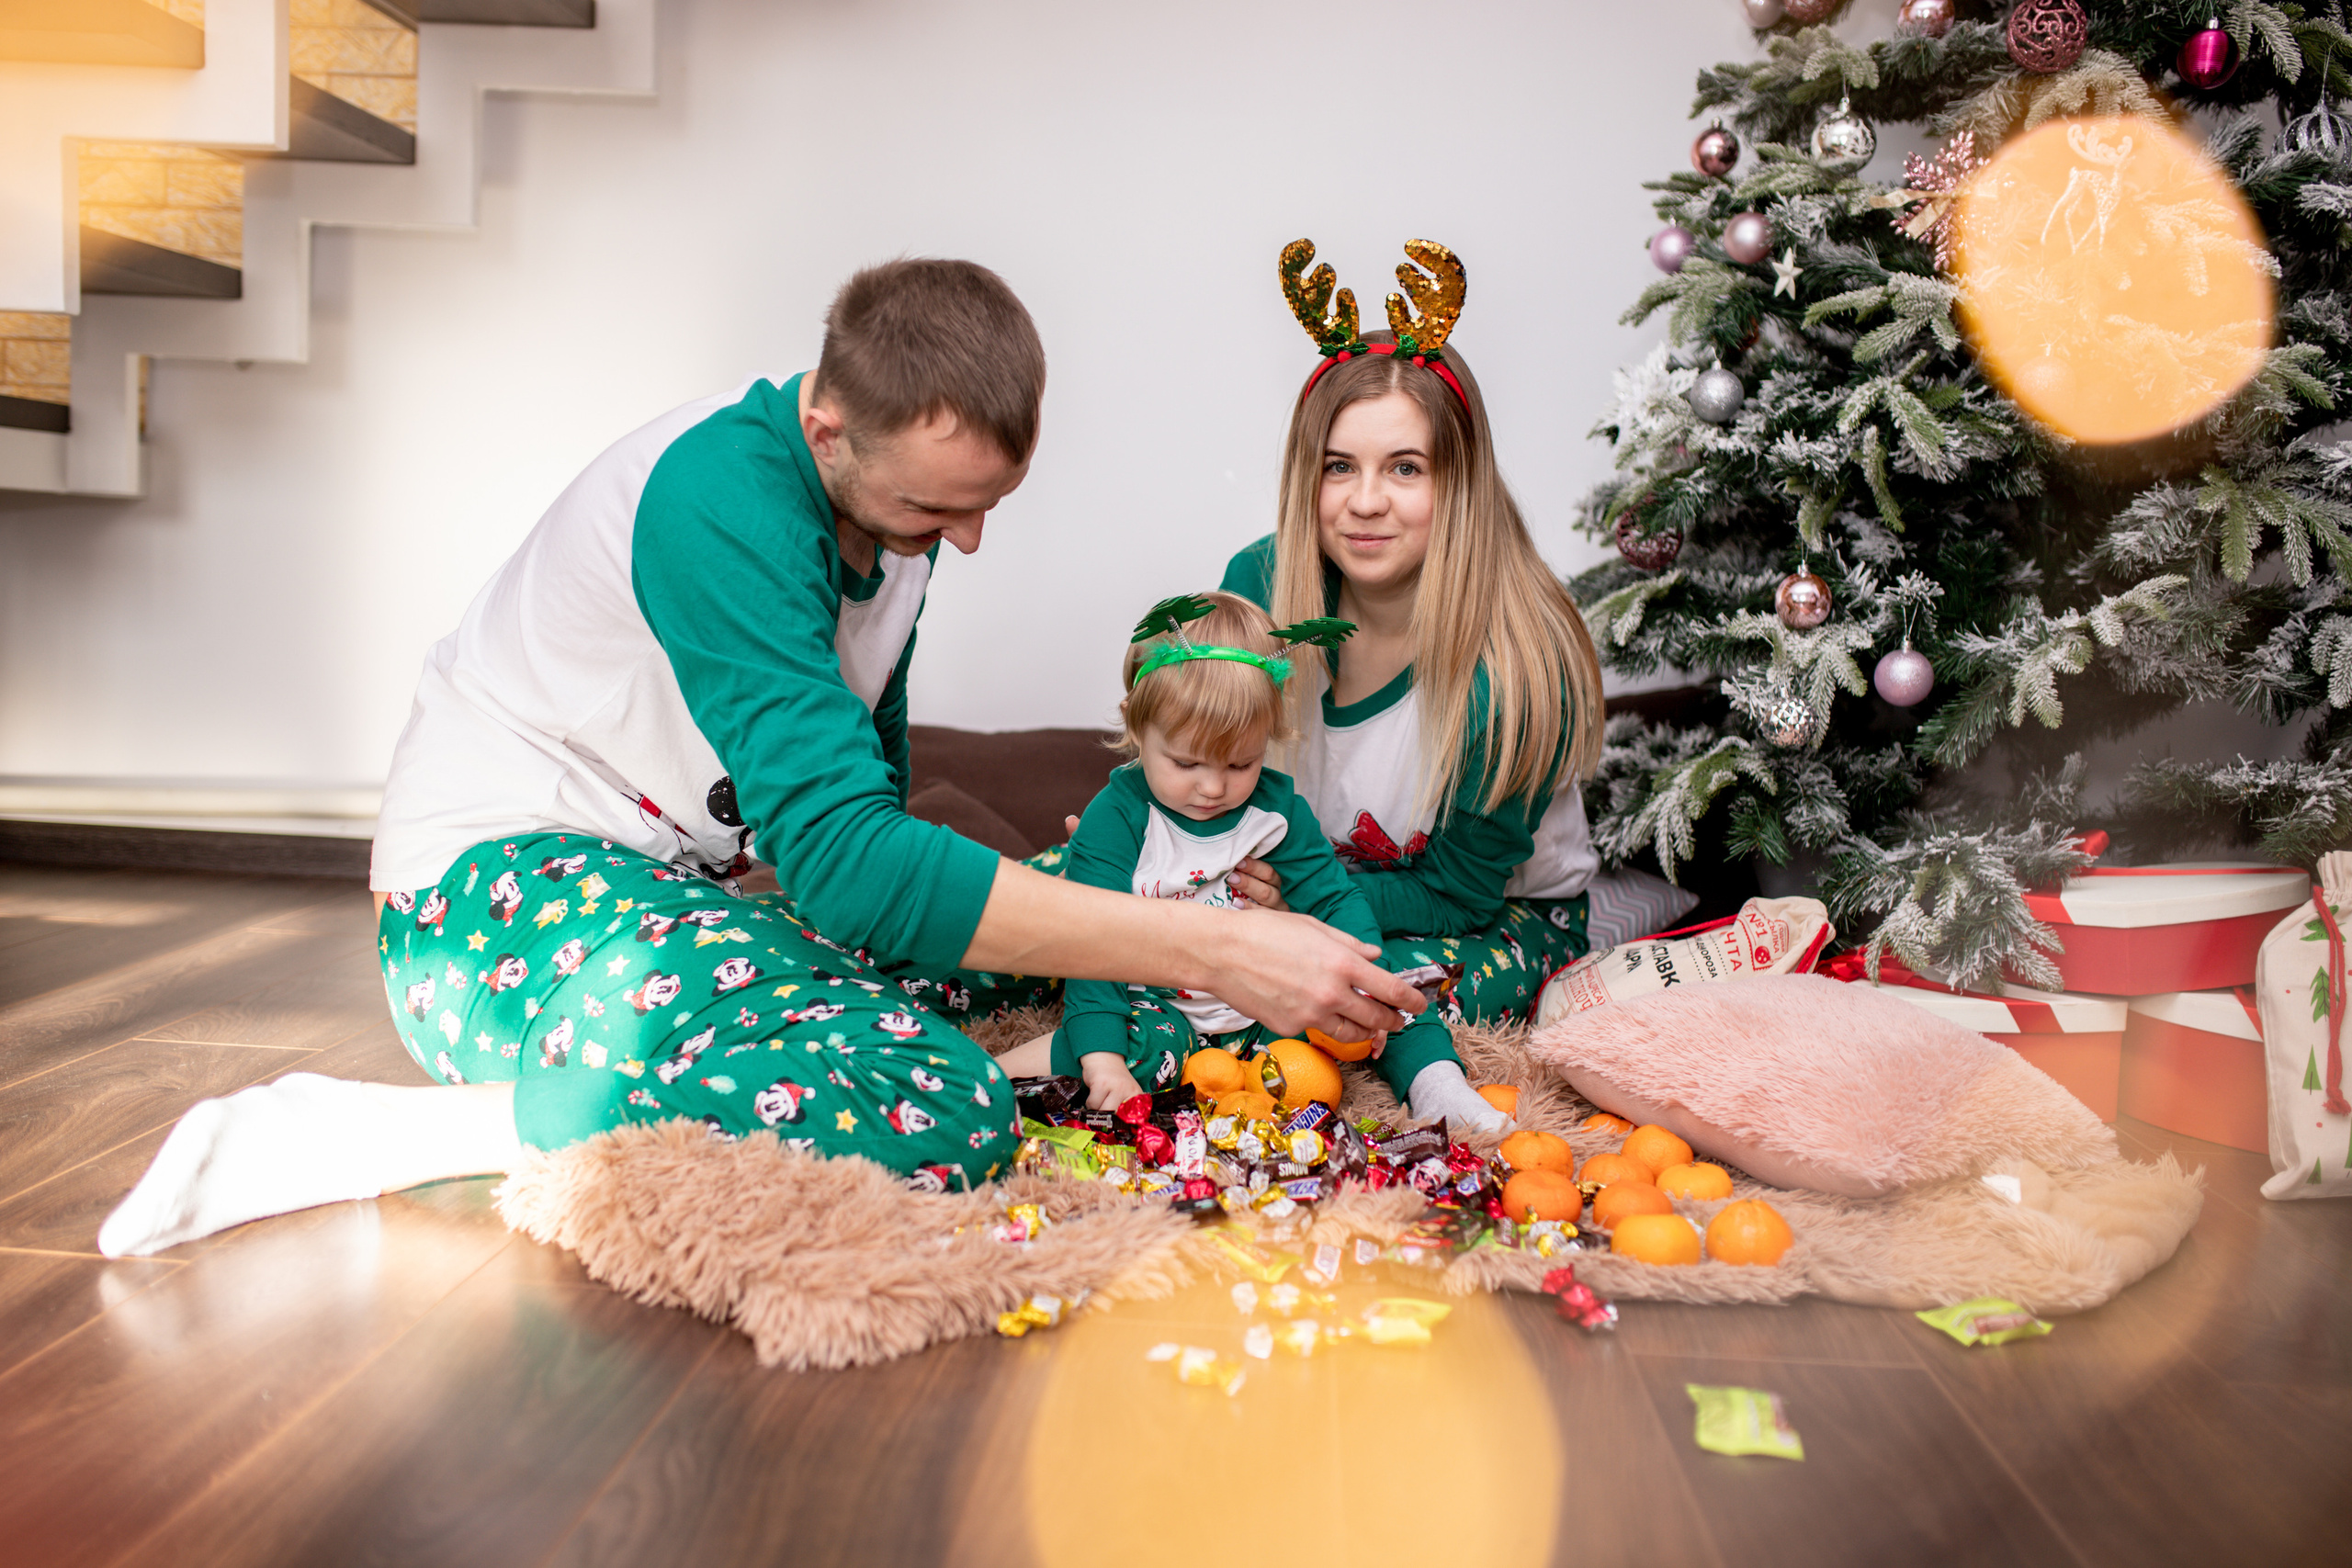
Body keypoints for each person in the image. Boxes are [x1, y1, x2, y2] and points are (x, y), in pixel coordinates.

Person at [97, 258, 1424, 1258]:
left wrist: (1125, 913)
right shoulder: (719, 500)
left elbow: (857, 815)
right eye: (933, 508)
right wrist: (1207, 947)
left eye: (986, 509)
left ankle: (815, 1026)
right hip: (486, 902)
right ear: (831, 428)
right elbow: (850, 868)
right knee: (942, 1106)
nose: (962, 544)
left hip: (682, 890)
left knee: (1018, 943)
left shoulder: (893, 527)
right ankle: (357, 1133)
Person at [1217, 238, 1606, 1022]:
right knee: (1081, 907)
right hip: (1272, 876)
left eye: (1405, 467)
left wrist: (1293, 895)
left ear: (1458, 483)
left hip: (1490, 916)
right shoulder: (1259, 588)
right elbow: (1192, 746)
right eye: (1337, 466)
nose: (1364, 501)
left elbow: (1454, 894)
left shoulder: (1519, 668)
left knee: (1335, 993)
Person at [990, 591, 1502, 1130]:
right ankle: (986, 1079)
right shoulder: (1116, 817)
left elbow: (1333, 899)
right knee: (1118, 1042)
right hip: (1165, 1005)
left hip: (1270, 1006)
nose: (1213, 788)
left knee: (1388, 993)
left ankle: (1440, 1088)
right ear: (1137, 730)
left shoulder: (1277, 810)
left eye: (1241, 762)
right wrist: (1104, 1065)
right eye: (1186, 762)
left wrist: (1363, 981)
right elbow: (1090, 943)